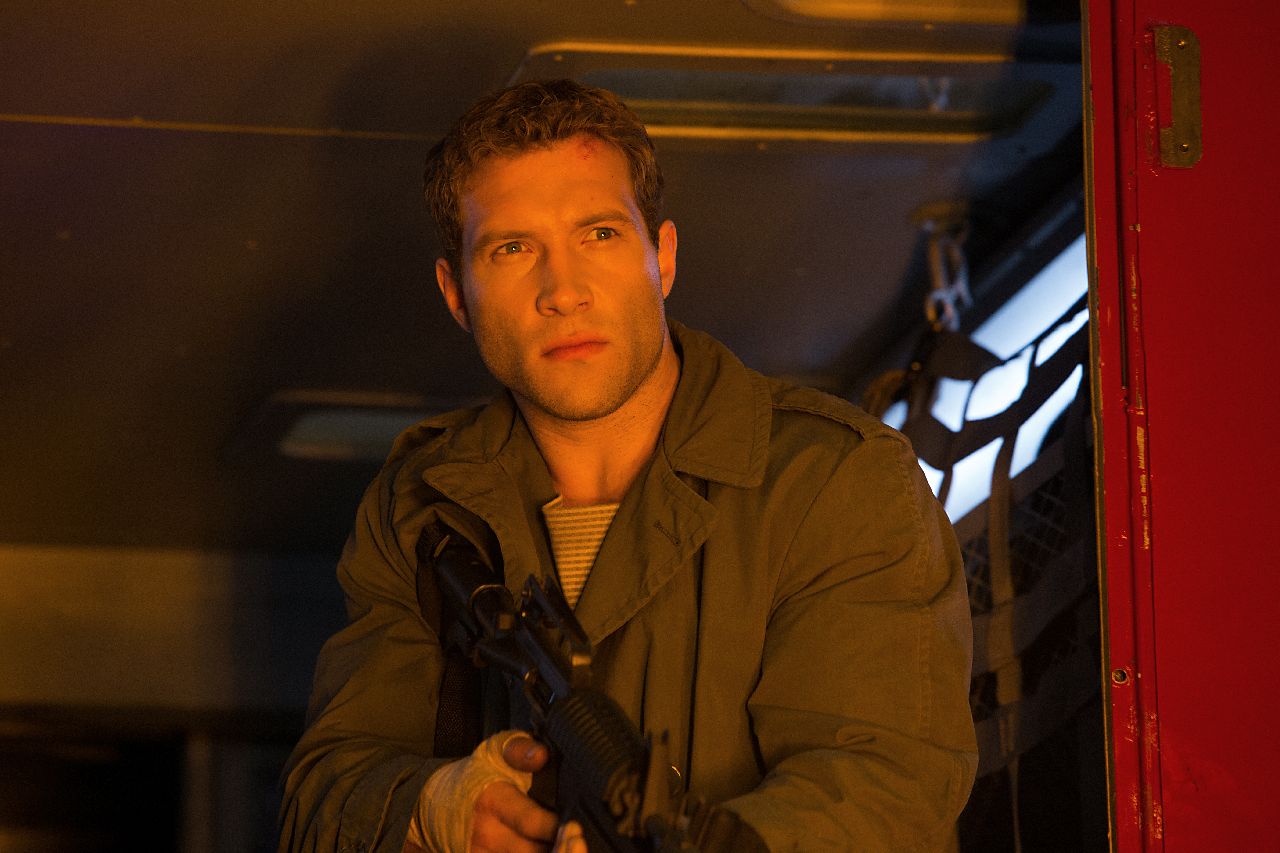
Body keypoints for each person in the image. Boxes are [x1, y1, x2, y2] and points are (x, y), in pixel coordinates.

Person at [279, 79, 977, 853]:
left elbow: (882, 789)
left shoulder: (832, 480)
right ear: (456, 294)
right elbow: (323, 795)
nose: (563, 291)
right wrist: (432, 806)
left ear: (663, 257)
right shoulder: (418, 508)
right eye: (512, 249)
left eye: (601, 234)